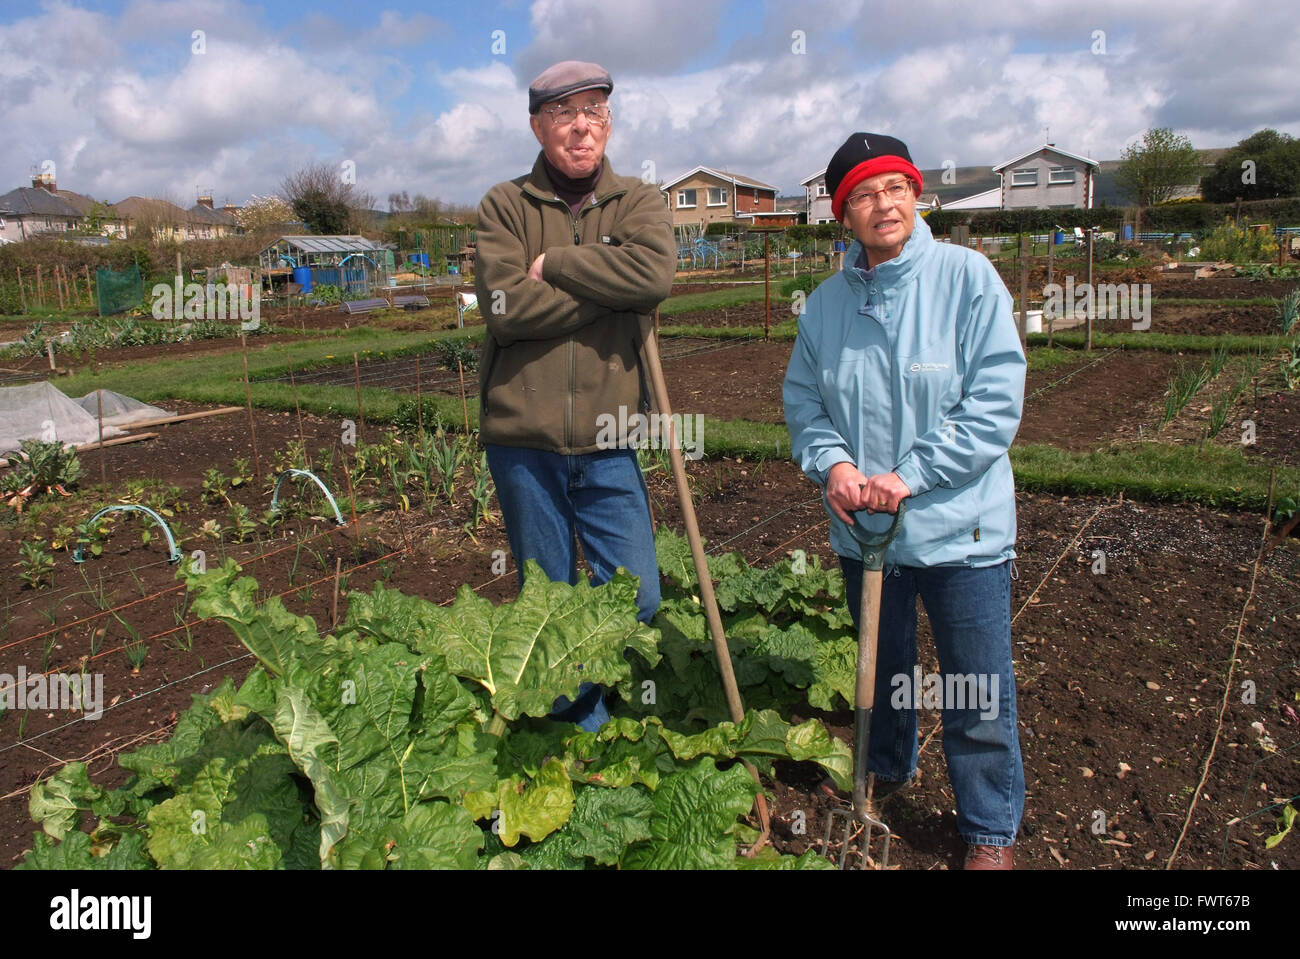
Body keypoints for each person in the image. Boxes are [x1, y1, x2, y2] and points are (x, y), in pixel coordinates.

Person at [782, 133, 1027, 870]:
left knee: (975, 685)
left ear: (917, 195)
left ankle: (988, 830)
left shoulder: (968, 278)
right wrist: (834, 464)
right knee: (883, 675)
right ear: (843, 216)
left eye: (894, 186)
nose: (881, 204)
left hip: (963, 529)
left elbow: (993, 401)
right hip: (867, 532)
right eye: (863, 194)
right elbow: (804, 404)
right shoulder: (824, 307)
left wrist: (911, 472)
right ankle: (884, 773)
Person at [473, 61, 676, 731]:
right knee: (548, 601)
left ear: (609, 123)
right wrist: (606, 291)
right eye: (563, 112)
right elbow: (505, 308)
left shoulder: (639, 200)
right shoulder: (505, 205)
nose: (580, 124)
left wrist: (556, 266)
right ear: (538, 125)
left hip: (610, 435)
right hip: (522, 440)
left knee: (638, 596)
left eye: (593, 109)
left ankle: (574, 699)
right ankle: (574, 734)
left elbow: (651, 276)